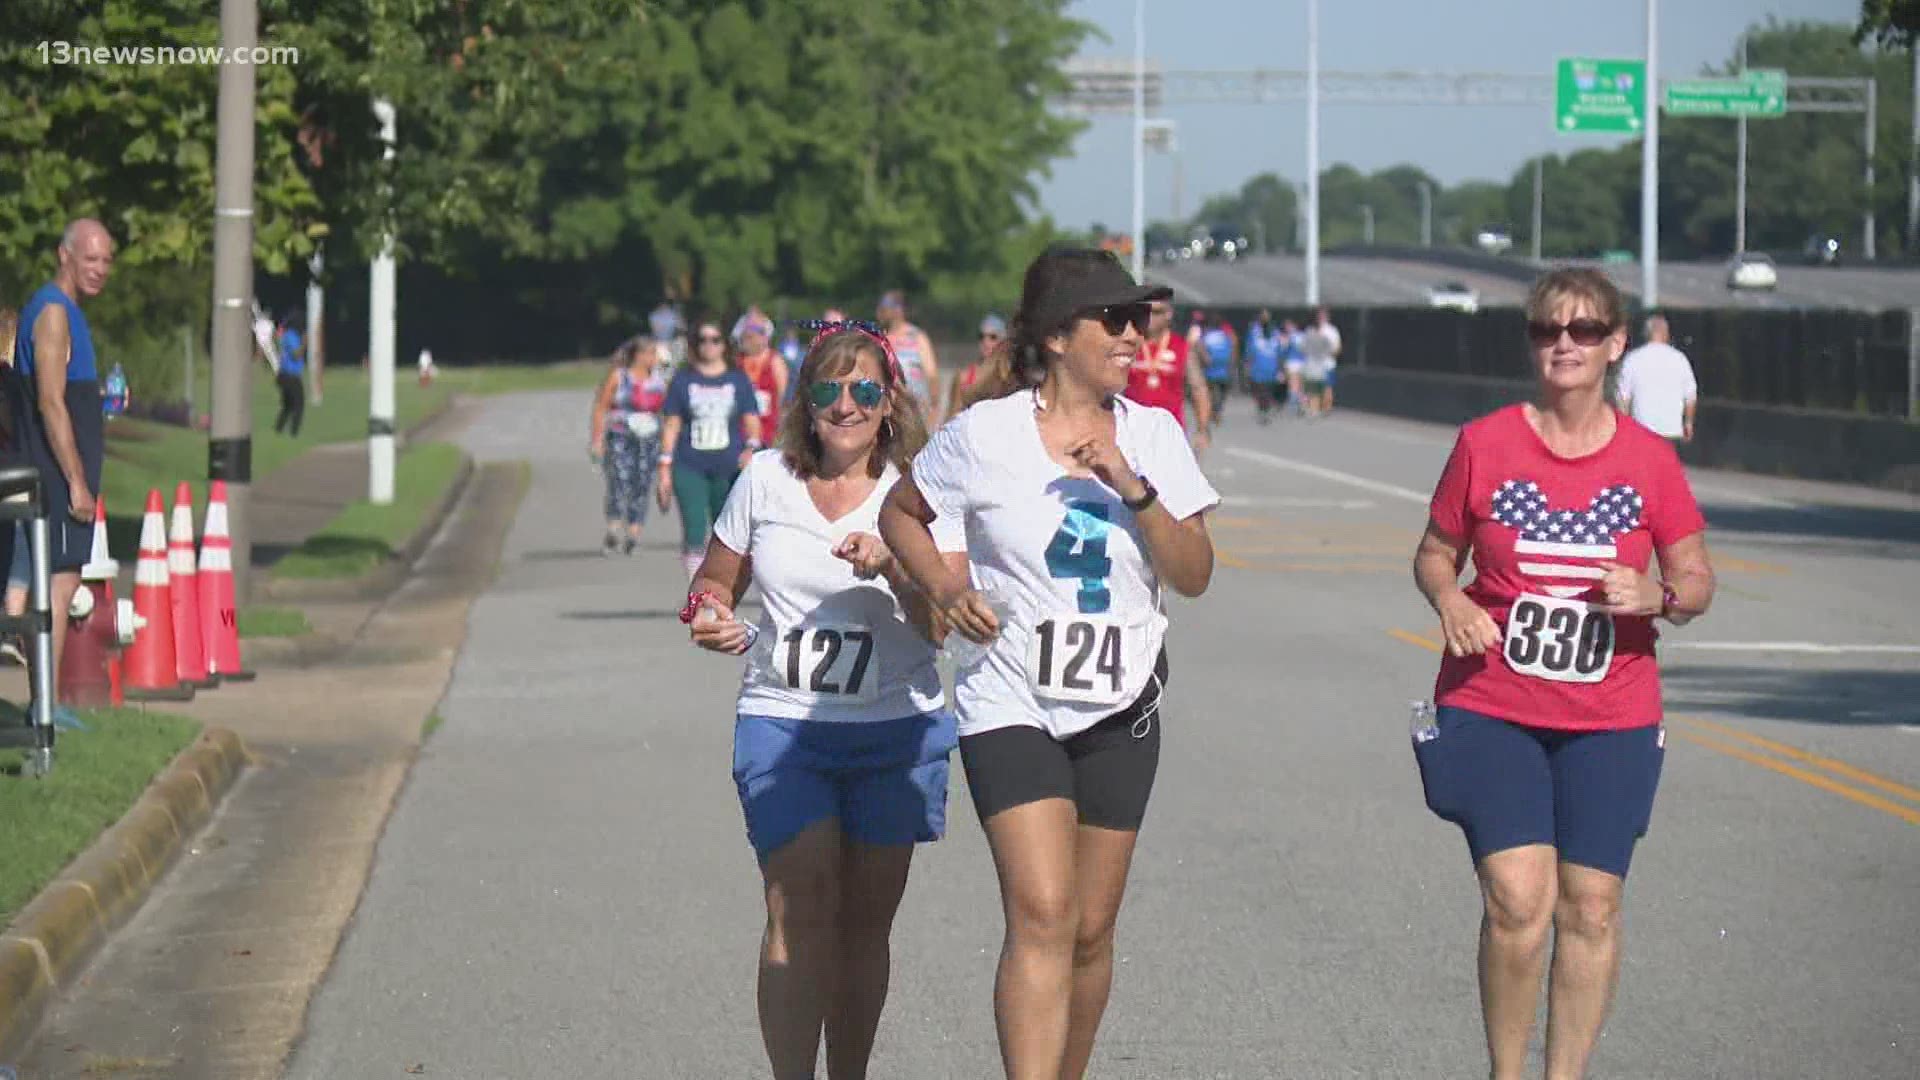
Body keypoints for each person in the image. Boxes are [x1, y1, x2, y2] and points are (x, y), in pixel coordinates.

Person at [879, 248, 1218, 1080]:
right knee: (1042, 910)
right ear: (1059, 336)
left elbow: (1196, 575)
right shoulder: (984, 435)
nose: (1136, 334)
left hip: (1121, 703)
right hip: (1011, 701)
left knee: (1090, 930)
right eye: (1116, 318)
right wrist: (940, 584)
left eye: (1141, 317)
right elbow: (901, 514)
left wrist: (1133, 487)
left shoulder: (1152, 434)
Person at [1410, 268, 1716, 1080]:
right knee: (1517, 901)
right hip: (1493, 698)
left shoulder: (1649, 460)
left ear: (1616, 343)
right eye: (1549, 330)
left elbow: (1698, 579)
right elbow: (1437, 555)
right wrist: (1449, 600)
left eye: (1584, 331)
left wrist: (1660, 595)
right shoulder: (1485, 443)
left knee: (1591, 905)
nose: (1565, 345)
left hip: (1611, 708)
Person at [681, 321, 961, 1080]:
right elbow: (713, 581)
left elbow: (942, 622)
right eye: (828, 389)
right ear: (804, 398)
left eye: (864, 389)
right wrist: (706, 612)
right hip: (783, 722)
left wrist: (893, 566)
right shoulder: (765, 479)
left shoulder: (923, 489)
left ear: (890, 399)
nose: (846, 406)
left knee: (866, 926)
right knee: (798, 904)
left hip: (895, 730)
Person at [11, 219, 114, 718]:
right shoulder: (52, 312)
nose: (99, 269)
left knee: (62, 581)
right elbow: (51, 402)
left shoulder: (67, 311)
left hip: (62, 470)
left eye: (106, 260)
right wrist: (75, 479)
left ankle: (45, 705)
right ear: (64, 255)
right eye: (90, 258)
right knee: (57, 585)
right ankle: (44, 708)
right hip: (54, 474)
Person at [657, 320, 763, 582]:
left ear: (725, 344)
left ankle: (720, 590)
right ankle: (696, 593)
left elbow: (752, 421)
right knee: (694, 530)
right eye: (703, 340)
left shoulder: (737, 380)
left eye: (715, 340)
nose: (709, 346)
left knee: (725, 533)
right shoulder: (683, 381)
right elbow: (672, 424)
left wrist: (752, 447)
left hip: (728, 466)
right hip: (689, 464)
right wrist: (664, 469)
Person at [590, 337, 669, 556]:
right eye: (651, 354)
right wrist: (597, 439)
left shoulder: (660, 380)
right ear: (639, 356)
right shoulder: (619, 377)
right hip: (620, 435)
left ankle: (634, 532)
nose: (655, 358)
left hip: (649, 439)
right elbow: (601, 406)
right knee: (619, 480)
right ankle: (614, 527)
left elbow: (668, 411)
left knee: (642, 483)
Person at [1122, 298, 1211, 451]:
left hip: (1170, 433)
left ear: (1168, 314)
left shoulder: (1182, 347)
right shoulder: (1128, 345)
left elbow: (1198, 389)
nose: (1150, 317)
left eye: (1156, 312)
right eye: (1145, 312)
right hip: (1131, 432)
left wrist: (1202, 430)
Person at [1614, 313, 1698, 445]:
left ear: (1646, 333)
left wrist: (1624, 428)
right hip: (1672, 431)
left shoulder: (1633, 359)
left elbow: (1623, 398)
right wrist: (1688, 423)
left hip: (1641, 431)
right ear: (1666, 333)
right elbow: (1690, 396)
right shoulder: (1680, 359)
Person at [877, 291, 941, 422]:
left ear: (898, 310)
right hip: (889, 413)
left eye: (884, 308)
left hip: (916, 413)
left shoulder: (916, 337)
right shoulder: (880, 339)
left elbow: (932, 375)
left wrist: (934, 411)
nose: (879, 312)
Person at [734, 311, 789, 444]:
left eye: (754, 330)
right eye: (745, 329)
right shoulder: (736, 362)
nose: (748, 334)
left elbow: (784, 400)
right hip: (739, 434)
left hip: (767, 434)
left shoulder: (775, 361)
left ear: (765, 336)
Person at [944, 313, 1005, 421]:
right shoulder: (964, 377)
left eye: (993, 337)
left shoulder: (1008, 378)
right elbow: (952, 417)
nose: (986, 342)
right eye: (981, 336)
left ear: (1003, 341)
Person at [1244, 309, 1285, 425]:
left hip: (1271, 367)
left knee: (1268, 391)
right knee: (1259, 391)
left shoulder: (1275, 332)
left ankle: (1265, 411)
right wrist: (1248, 365)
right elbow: (1249, 350)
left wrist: (1281, 369)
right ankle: (1262, 409)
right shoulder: (1254, 332)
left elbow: (1280, 351)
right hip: (1257, 367)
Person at [1300, 307, 1341, 416]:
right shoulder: (1310, 329)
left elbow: (1337, 348)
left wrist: (1328, 354)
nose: (1321, 317)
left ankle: (1326, 408)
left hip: (1327, 364)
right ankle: (1313, 408)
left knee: (1327, 387)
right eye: (1320, 315)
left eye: (1324, 315)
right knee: (1312, 387)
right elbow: (1304, 347)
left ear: (1328, 317)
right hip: (1312, 364)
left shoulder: (1332, 330)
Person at [1196, 313, 1236, 425]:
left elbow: (1200, 347)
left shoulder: (1209, 335)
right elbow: (1232, 347)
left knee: (1216, 393)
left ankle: (1215, 411)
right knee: (1218, 393)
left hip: (1215, 369)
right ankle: (1215, 411)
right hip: (1216, 369)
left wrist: (1205, 358)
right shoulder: (1224, 335)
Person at [273, 314, 307, 436]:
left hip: (284, 375)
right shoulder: (292, 336)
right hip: (290, 375)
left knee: (288, 405)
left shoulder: (288, 335)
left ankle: (278, 429)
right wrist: (304, 343)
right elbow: (296, 354)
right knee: (299, 404)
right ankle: (294, 432)